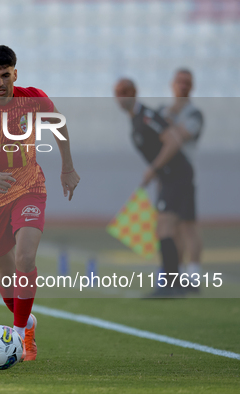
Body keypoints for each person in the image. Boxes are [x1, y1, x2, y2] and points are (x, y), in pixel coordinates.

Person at [0, 45, 80, 361]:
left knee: (25, 256)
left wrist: (67, 167)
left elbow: (59, 126)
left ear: (15, 74)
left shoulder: (32, 98)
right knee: (5, 274)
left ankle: (21, 334)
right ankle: (28, 321)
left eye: (5, 75)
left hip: (29, 189)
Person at [114, 78, 196, 297]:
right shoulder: (136, 121)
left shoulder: (147, 116)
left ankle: (171, 285)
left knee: (165, 227)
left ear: (135, 92)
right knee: (171, 228)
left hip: (177, 175)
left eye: (125, 92)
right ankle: (178, 281)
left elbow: (173, 141)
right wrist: (157, 173)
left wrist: (154, 169)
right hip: (170, 177)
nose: (121, 98)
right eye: (118, 94)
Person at [159, 69, 203, 285]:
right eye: (180, 82)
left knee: (187, 226)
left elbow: (179, 136)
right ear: (172, 84)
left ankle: (193, 276)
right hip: (167, 176)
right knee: (171, 226)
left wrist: (167, 122)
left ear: (192, 86)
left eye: (187, 82)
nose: (183, 85)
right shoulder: (165, 110)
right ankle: (173, 274)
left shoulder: (194, 114)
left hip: (184, 176)